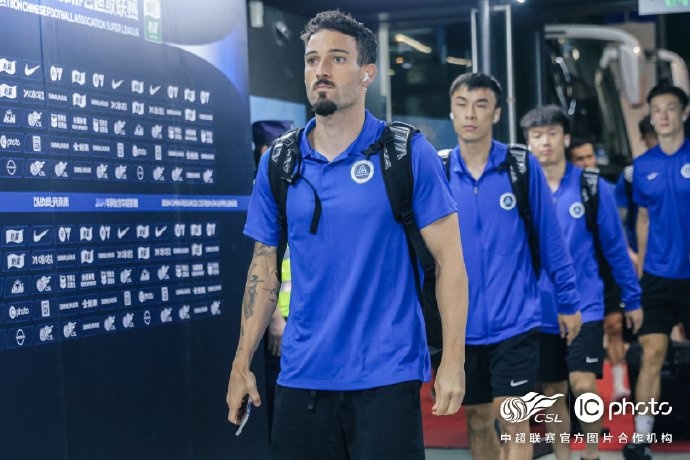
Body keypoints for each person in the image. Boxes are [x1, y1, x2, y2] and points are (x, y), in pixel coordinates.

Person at [227, 10, 469, 459]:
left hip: (386, 376)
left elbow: (450, 263)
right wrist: (242, 362)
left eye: (337, 58)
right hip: (302, 375)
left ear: (366, 74)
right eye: (312, 59)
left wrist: (453, 360)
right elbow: (263, 267)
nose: (321, 70)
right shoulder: (279, 162)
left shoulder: (406, 153)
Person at [444, 72, 581, 460]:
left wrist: (568, 301)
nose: (471, 114)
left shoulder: (520, 167)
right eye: (462, 105)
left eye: (481, 105)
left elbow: (551, 240)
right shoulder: (439, 171)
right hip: (461, 326)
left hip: (517, 321)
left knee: (515, 420)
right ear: (451, 112)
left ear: (497, 113)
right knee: (477, 419)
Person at [521, 105, 643, 460]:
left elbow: (616, 250)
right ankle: (563, 456)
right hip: (540, 309)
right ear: (528, 143)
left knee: (583, 384)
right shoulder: (522, 189)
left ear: (566, 138)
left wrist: (632, 299)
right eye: (537, 136)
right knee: (552, 391)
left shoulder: (592, 187)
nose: (545, 142)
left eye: (552, 133)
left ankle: (591, 453)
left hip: (585, 304)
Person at [623, 85, 690, 460]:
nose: (663, 116)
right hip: (657, 277)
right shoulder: (643, 166)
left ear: (684, 113)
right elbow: (643, 221)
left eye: (670, 108)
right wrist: (641, 272)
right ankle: (641, 437)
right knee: (651, 353)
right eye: (657, 110)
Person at [570, 137, 634, 401]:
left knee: (614, 324)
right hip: (580, 274)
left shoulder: (606, 189)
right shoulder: (563, 192)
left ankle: (619, 385)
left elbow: (617, 234)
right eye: (580, 159)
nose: (588, 163)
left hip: (606, 267)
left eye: (590, 156)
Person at [250, 119, 295, 434]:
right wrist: (275, 318)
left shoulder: (293, 185)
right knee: (279, 397)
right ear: (266, 150)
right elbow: (259, 263)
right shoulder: (261, 190)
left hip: (301, 317)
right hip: (277, 319)